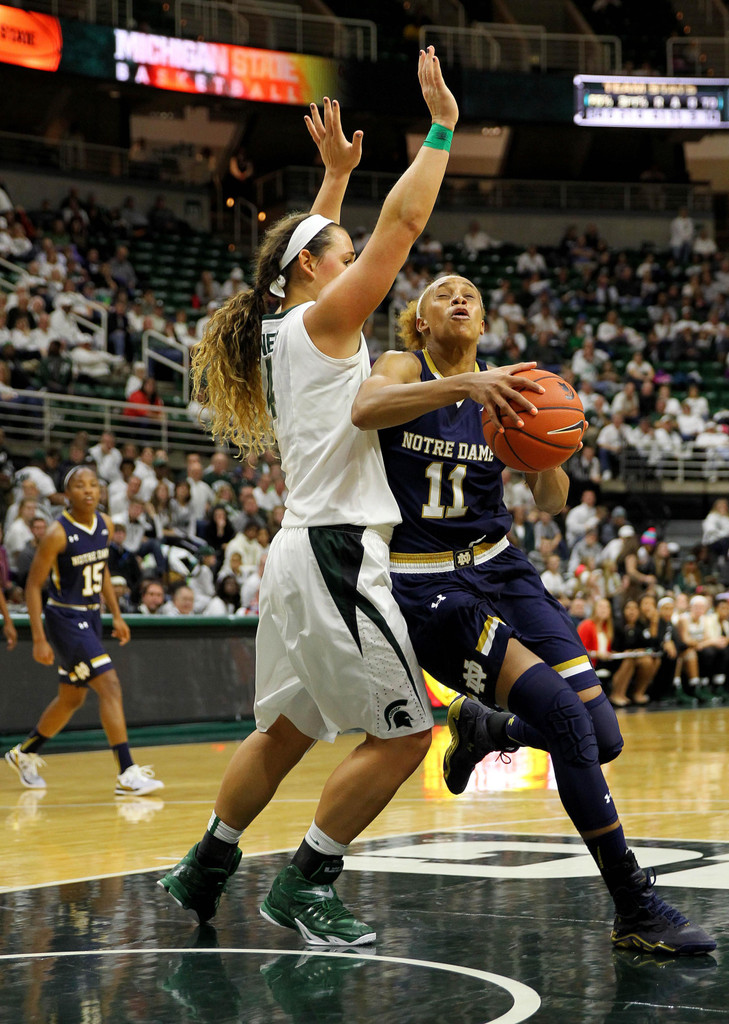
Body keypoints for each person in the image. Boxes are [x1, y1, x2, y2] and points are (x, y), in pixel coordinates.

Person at [158, 50, 457, 946]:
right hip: (332, 550)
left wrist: (330, 183)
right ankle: (307, 880)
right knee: (406, 737)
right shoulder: (324, 319)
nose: (353, 255)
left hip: (295, 551)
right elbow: (403, 224)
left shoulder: (284, 322)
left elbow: (315, 243)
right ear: (313, 273)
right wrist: (439, 124)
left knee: (286, 729)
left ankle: (205, 862)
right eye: (340, 250)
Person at [350, 271, 715, 956]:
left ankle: (487, 727)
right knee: (569, 722)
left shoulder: (508, 388)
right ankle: (633, 907)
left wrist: (543, 441)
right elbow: (365, 410)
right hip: (430, 584)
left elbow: (550, 501)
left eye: (472, 297)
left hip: (503, 569)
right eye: (442, 293)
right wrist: (466, 387)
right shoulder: (406, 366)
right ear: (421, 323)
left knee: (600, 739)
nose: (460, 298)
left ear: (483, 325)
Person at [4, 466, 164, 796]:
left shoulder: (105, 524)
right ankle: (126, 772)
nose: (89, 490)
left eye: (94, 484)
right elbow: (33, 586)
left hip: (91, 617)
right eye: (80, 486)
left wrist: (116, 616)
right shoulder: (56, 533)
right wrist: (37, 637)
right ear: (67, 494)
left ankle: (26, 752)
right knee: (110, 685)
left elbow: (101, 569)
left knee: (71, 698)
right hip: (64, 619)